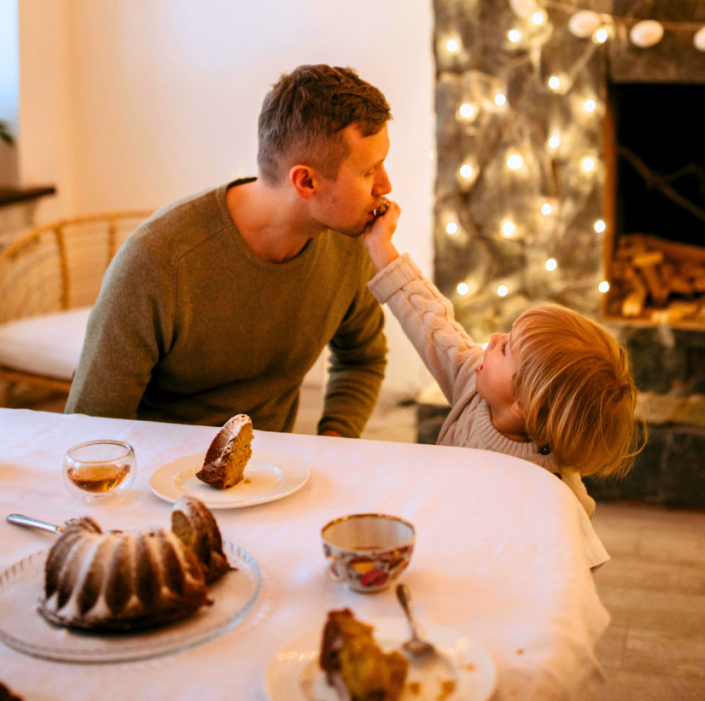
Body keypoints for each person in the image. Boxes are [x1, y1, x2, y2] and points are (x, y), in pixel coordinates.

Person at [66, 65, 393, 437]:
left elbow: (361, 357)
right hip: (157, 481)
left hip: (274, 477)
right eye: (370, 171)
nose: (386, 185)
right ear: (305, 180)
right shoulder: (156, 261)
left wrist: (336, 439)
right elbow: (90, 427)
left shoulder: (349, 242)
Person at [362, 202, 642, 517]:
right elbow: (429, 319)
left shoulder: (551, 492)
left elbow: (573, 556)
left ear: (523, 404)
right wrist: (380, 246)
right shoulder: (475, 381)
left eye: (506, 348)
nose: (494, 338)